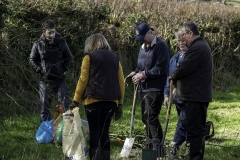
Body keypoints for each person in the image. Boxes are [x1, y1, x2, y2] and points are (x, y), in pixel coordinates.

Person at [69, 33, 125, 160]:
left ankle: (94, 158)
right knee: (104, 132)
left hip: (93, 100)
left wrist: (75, 100)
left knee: (94, 132)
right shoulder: (115, 58)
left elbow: (83, 79)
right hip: (111, 101)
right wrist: (120, 103)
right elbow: (121, 81)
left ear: (91, 44)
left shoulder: (89, 57)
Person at [169, 22, 213, 160]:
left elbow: (184, 68)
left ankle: (195, 157)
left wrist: (173, 76)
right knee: (196, 131)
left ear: (190, 34)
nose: (183, 38)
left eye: (184, 35)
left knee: (195, 133)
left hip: (195, 97)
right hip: (196, 96)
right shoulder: (199, 46)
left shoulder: (197, 48)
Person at [127, 23, 170, 158]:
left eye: (143, 37)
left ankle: (157, 148)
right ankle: (149, 145)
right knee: (145, 118)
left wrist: (144, 74)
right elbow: (140, 66)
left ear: (150, 33)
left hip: (155, 88)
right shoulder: (142, 47)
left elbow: (160, 68)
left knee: (151, 116)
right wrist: (135, 73)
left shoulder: (161, 46)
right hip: (142, 88)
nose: (142, 40)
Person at [29, 19, 72, 122]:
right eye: (49, 32)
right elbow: (32, 59)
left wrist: (64, 69)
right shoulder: (38, 44)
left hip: (60, 78)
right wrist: (39, 69)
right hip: (45, 79)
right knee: (45, 107)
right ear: (44, 32)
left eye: (53, 32)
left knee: (65, 105)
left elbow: (68, 57)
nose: (52, 35)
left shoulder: (61, 42)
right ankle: (45, 133)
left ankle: (66, 132)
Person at [163, 30, 190, 159]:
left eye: (183, 40)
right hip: (177, 97)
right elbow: (169, 79)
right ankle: (190, 145)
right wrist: (167, 95)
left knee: (183, 122)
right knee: (186, 122)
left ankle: (175, 145)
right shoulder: (174, 58)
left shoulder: (191, 57)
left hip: (187, 95)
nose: (181, 43)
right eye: (179, 41)